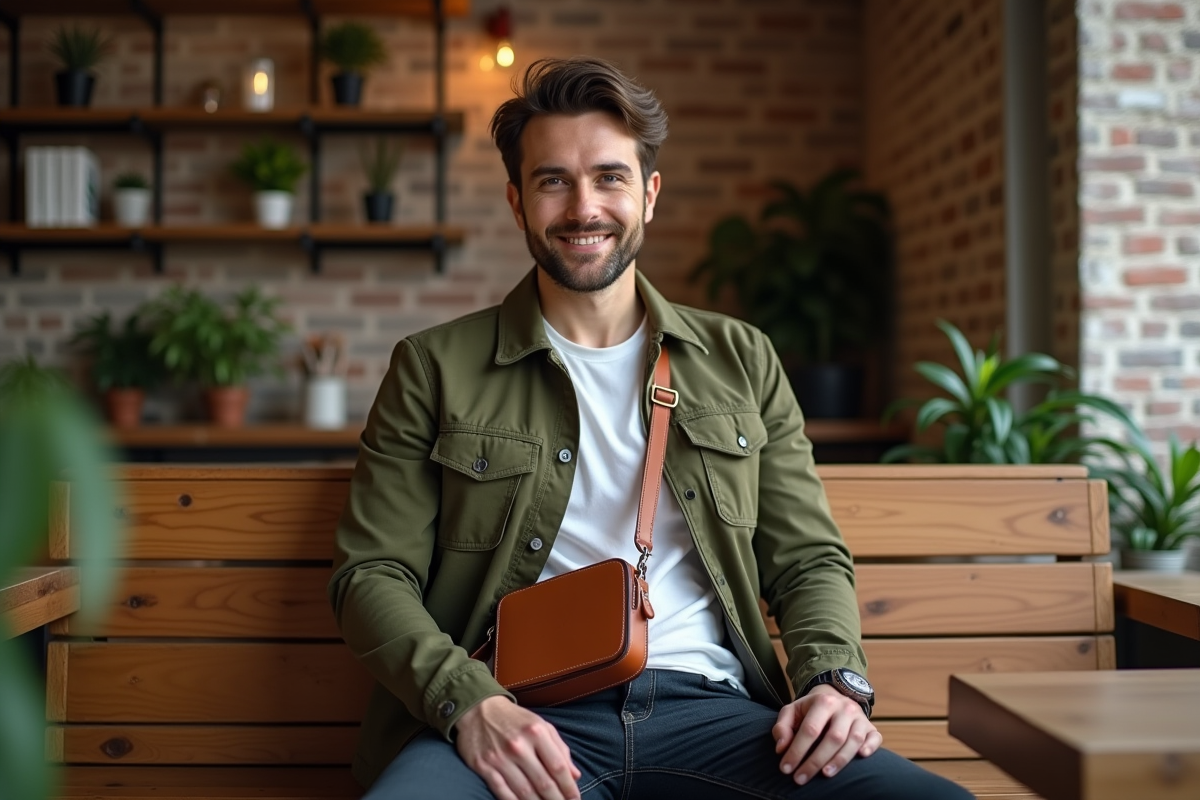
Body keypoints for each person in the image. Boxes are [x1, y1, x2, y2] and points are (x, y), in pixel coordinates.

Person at [329, 56, 973, 800]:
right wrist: (468, 701)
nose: (583, 208)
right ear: (516, 201)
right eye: (552, 181)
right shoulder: (432, 367)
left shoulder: (743, 358)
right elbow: (370, 574)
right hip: (515, 717)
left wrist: (835, 682)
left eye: (609, 177)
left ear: (649, 194)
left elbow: (806, 559)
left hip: (721, 718)